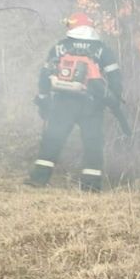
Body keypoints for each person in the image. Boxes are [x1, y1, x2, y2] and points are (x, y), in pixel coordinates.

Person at [26, 12, 123, 192]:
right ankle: (91, 186)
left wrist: (43, 97)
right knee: (92, 142)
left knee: (52, 138)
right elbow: (115, 77)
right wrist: (113, 99)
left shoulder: (60, 47)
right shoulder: (102, 49)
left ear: (73, 26)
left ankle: (38, 179)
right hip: (92, 104)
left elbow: (45, 74)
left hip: (63, 102)